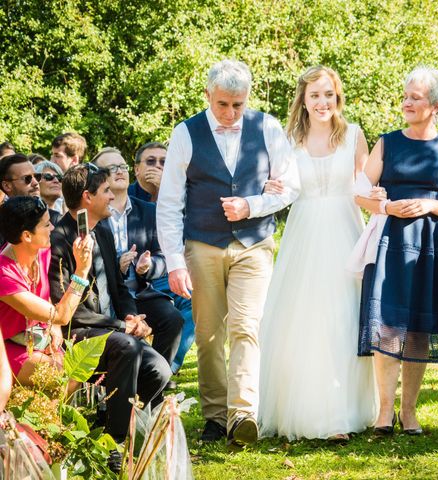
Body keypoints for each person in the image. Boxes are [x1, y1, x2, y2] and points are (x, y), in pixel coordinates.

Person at [157, 60, 300, 447]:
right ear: (208, 95)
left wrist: (252, 205)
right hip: (202, 245)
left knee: (246, 328)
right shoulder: (185, 133)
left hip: (254, 245)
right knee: (207, 334)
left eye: (238, 105)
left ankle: (242, 415)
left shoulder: (268, 127)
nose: (231, 113)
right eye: (223, 104)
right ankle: (215, 416)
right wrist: (173, 262)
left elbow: (291, 186)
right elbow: (169, 203)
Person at [356, 66, 438, 436]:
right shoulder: (387, 142)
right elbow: (360, 191)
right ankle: (383, 413)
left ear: (436, 106)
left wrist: (431, 206)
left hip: (429, 246)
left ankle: (408, 413)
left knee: (418, 331)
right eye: (406, 96)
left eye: (416, 97)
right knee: (388, 325)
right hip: (391, 241)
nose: (407, 102)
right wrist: (385, 206)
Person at [258, 66, 378, 441]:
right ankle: (311, 412)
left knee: (344, 317)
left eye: (328, 94)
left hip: (345, 230)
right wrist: (270, 185)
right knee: (305, 319)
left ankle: (346, 410)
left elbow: (364, 188)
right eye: (314, 96)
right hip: (305, 233)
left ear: (337, 96)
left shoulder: (355, 135)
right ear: (303, 100)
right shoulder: (289, 138)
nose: (322, 102)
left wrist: (379, 200)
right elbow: (284, 187)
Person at [49, 164, 171, 453]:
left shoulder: (101, 230)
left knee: (160, 371)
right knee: (127, 347)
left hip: (114, 329)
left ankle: (110, 420)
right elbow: (69, 312)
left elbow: (118, 286)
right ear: (88, 197)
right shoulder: (58, 241)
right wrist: (121, 327)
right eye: (106, 191)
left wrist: (131, 316)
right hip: (78, 332)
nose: (113, 196)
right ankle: (115, 446)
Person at [92, 147, 183, 367]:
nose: (119, 171)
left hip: (140, 291)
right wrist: (117, 267)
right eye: (111, 168)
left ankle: (155, 378)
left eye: (122, 166)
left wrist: (148, 266)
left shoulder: (148, 211)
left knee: (173, 319)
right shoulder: (93, 214)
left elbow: (164, 256)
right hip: (106, 296)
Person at [0, 196, 93, 386]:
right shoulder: (4, 275)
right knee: (68, 379)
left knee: (76, 375)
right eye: (46, 224)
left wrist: (55, 329)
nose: (52, 228)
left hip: (41, 337)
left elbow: (45, 298)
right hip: (11, 346)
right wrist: (81, 272)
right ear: (27, 235)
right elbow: (61, 315)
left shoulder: (41, 249)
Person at [129, 142, 194, 376]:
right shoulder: (124, 196)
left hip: (170, 270)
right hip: (136, 276)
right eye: (150, 161)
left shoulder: (181, 197)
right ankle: (151, 368)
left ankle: (167, 367)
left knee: (192, 299)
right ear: (136, 169)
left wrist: (160, 194)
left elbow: (185, 236)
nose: (157, 166)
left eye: (163, 162)